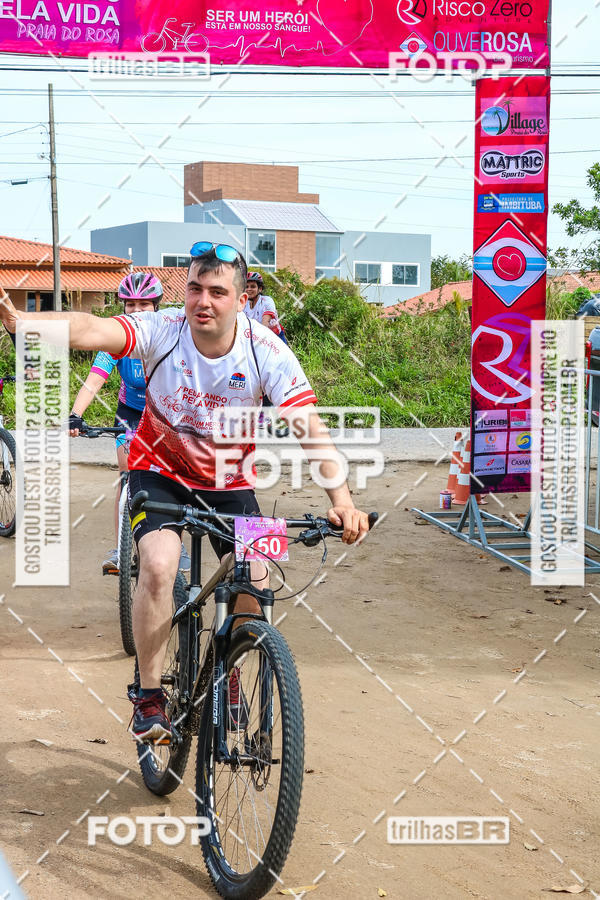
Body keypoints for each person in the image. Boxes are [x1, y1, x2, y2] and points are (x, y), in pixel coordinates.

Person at [0, 242, 370, 745]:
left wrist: (342, 500)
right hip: (157, 471)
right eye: (195, 288)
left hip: (231, 481)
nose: (203, 301)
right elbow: (92, 328)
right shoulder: (164, 329)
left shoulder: (267, 350)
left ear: (242, 300)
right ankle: (149, 696)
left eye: (218, 291)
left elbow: (311, 428)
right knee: (157, 566)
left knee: (258, 576)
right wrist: (24, 323)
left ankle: (231, 664)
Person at [67, 272, 175, 574]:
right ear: (122, 306)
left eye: (144, 304)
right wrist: (75, 414)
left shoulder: (169, 333)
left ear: (156, 306)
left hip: (165, 414)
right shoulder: (116, 337)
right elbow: (94, 380)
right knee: (126, 474)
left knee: (169, 478)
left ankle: (173, 543)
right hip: (130, 413)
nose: (137, 311)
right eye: (130, 304)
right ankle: (120, 548)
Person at [244, 271, 287, 344]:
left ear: (260, 289)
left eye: (253, 286)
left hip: (275, 338)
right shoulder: (244, 304)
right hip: (255, 338)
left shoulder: (266, 301)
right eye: (246, 287)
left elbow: (265, 325)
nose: (249, 289)